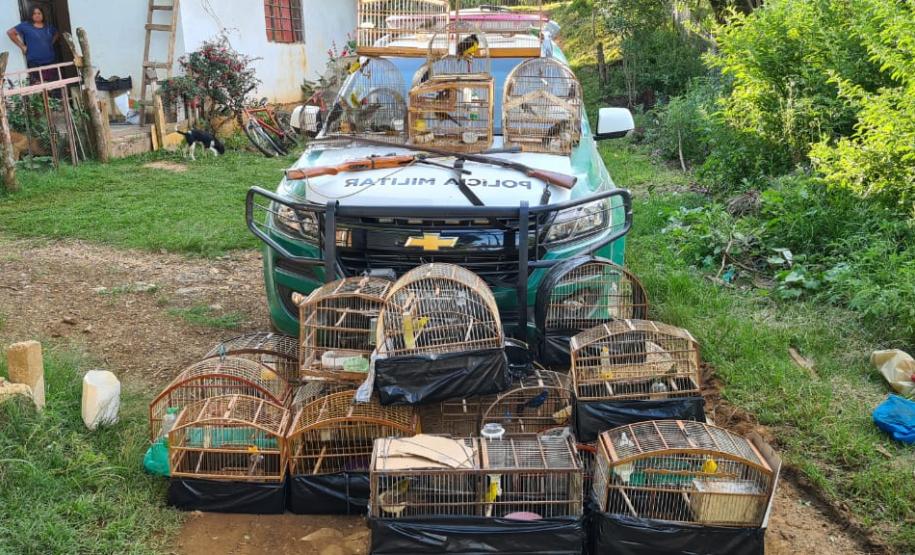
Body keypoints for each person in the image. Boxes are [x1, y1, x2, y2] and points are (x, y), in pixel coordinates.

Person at [7, 5, 60, 83]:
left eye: (39, 13)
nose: (37, 15)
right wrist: (22, 46)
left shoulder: (48, 26)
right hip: (35, 63)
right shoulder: (25, 25)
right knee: (39, 86)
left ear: (42, 15)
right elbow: (10, 32)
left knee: (53, 85)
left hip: (50, 61)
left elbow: (56, 33)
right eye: (34, 13)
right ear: (31, 15)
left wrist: (51, 43)